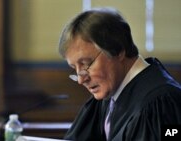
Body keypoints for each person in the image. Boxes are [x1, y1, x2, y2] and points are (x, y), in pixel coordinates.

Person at [58, 7, 181, 141]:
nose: (81, 80)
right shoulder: (109, 91)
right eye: (74, 68)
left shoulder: (160, 104)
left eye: (87, 64)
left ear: (118, 50)